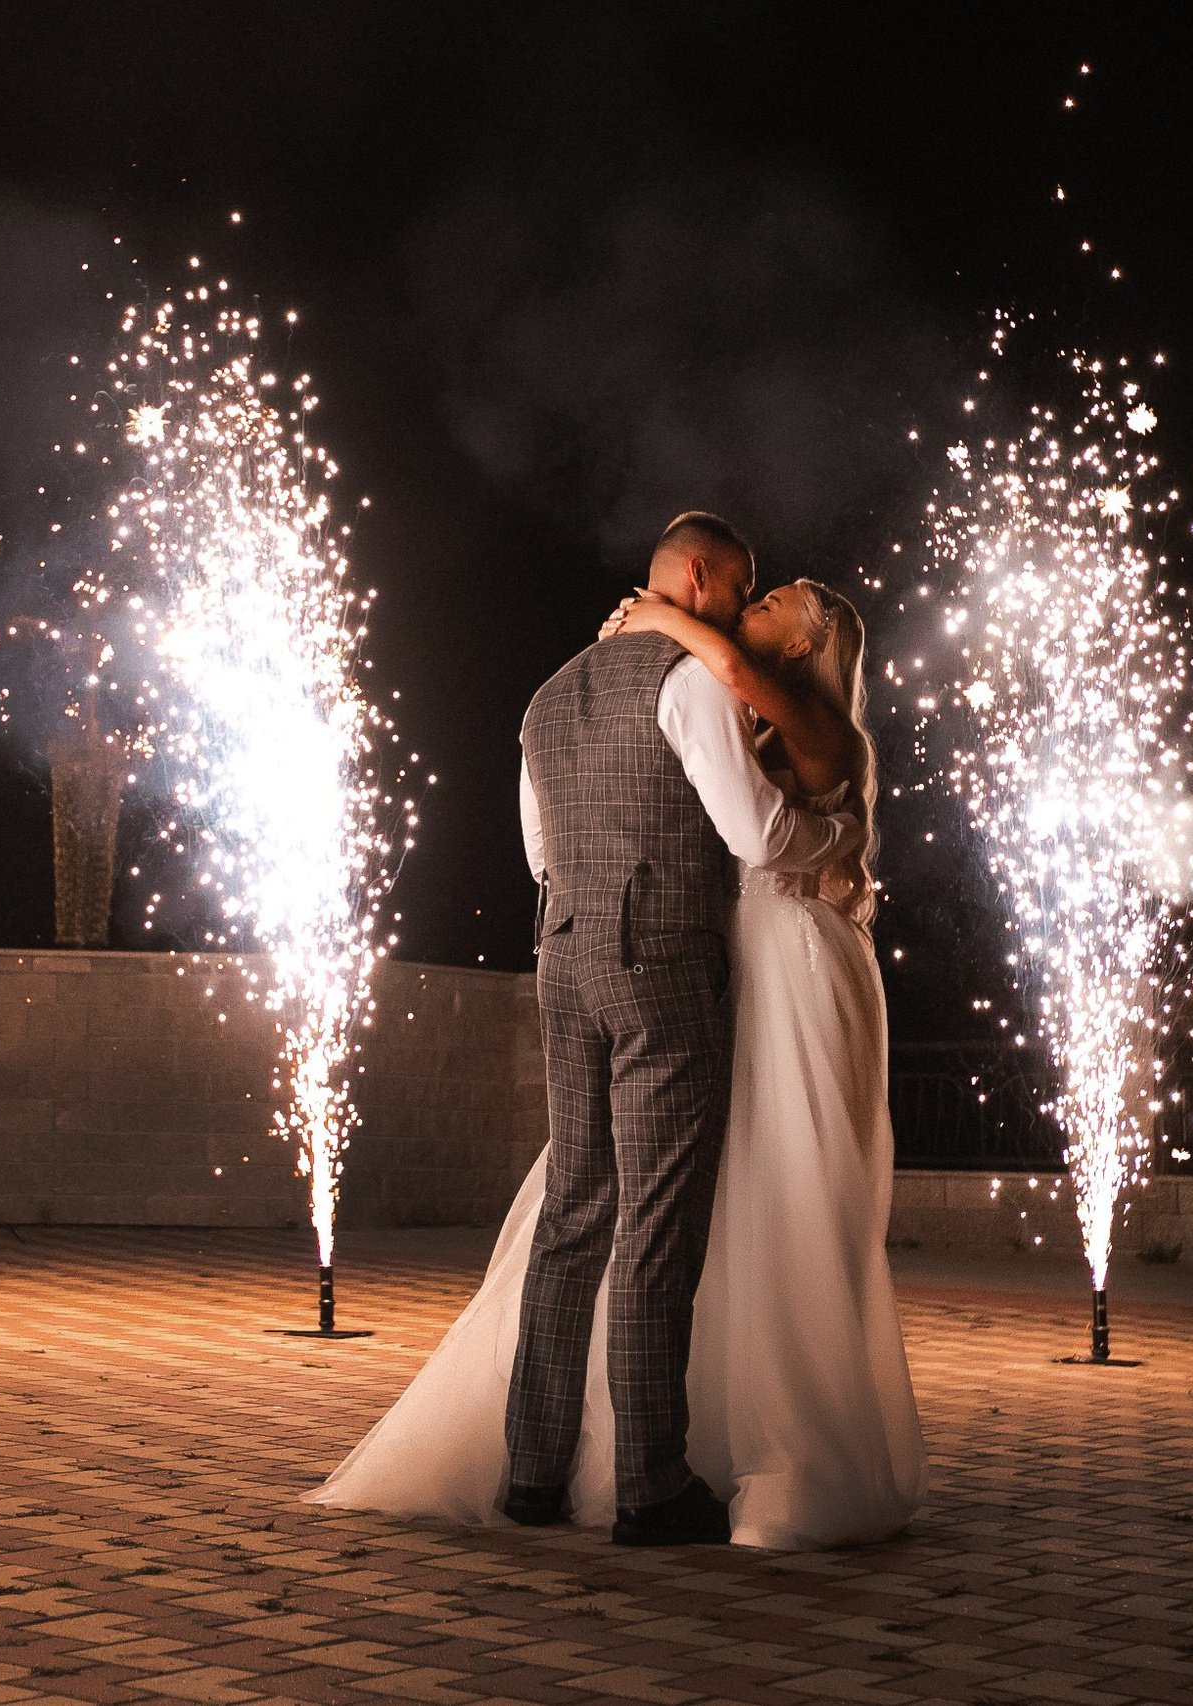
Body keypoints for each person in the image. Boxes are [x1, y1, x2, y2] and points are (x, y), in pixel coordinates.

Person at [308, 514, 926, 1549]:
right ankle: (648, 1482)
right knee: (656, 1221)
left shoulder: (551, 692)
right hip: (662, 962)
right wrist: (830, 838)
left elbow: (541, 847)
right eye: (743, 587)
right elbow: (753, 835)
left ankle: (533, 1474)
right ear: (700, 578)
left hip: (563, 956)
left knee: (571, 1211)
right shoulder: (686, 684)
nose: (742, 604)